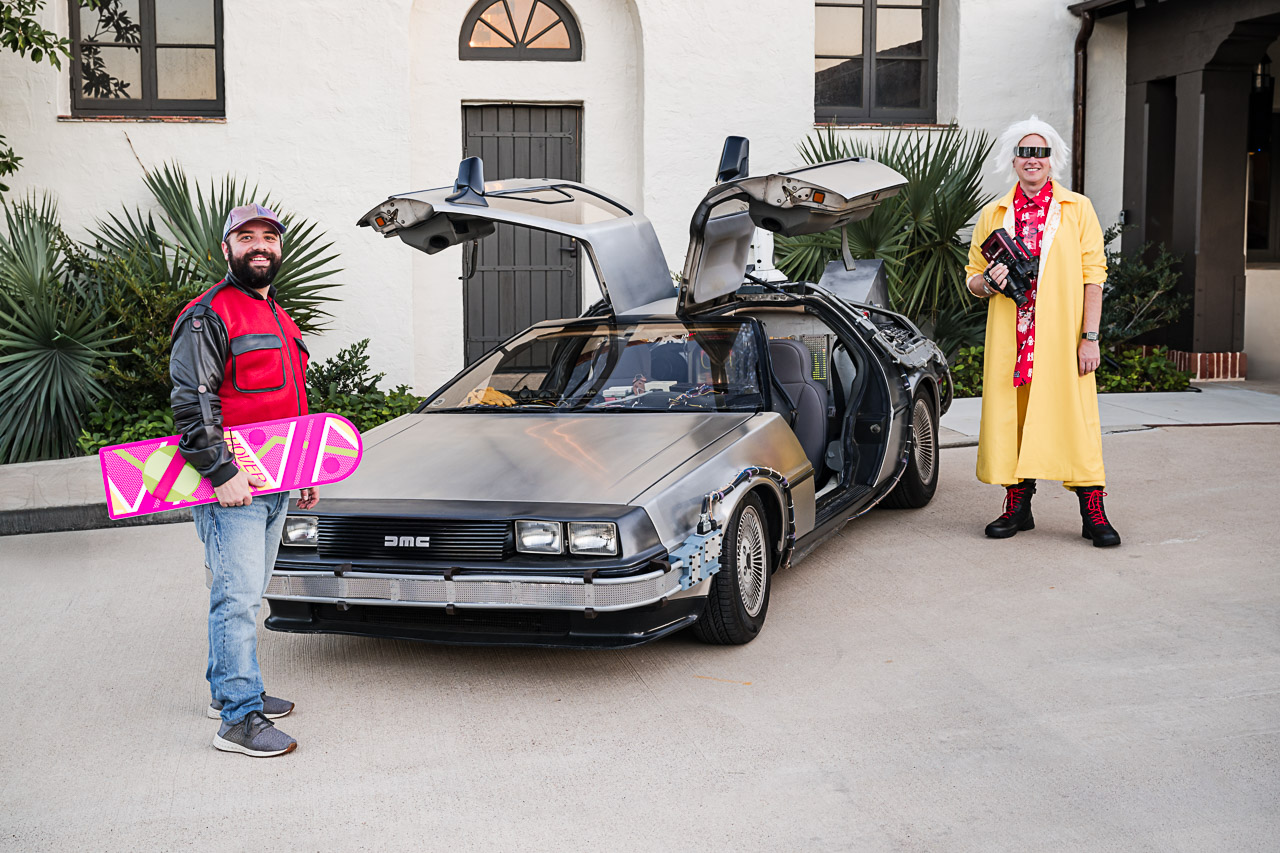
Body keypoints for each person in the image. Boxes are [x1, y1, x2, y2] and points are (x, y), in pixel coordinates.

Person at [170, 203, 317, 757]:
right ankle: (238, 717)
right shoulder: (207, 315)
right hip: (234, 487)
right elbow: (193, 402)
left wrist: (305, 466)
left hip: (278, 482)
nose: (260, 246)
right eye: (247, 237)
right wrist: (221, 471)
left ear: (279, 248)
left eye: (269, 237)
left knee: (248, 593)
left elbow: (291, 398)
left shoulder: (278, 314)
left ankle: (225, 690)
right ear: (226, 248)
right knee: (235, 599)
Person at [964, 117, 1121, 548]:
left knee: (1076, 421)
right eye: (1024, 152)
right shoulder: (995, 213)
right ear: (1012, 160)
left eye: (1040, 152)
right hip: (1012, 338)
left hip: (1061, 338)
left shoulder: (1077, 208)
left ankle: (1092, 510)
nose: (1032, 160)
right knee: (1013, 420)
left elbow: (1094, 276)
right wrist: (988, 283)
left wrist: (1090, 337)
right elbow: (972, 277)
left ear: (1052, 160)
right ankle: (1019, 504)